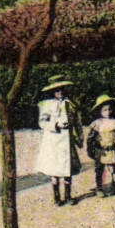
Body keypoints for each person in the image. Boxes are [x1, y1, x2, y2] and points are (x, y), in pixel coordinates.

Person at [35, 77, 83, 206]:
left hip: (67, 139)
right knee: (55, 168)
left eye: (61, 90)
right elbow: (42, 122)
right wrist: (56, 125)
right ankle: (57, 197)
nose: (60, 93)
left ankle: (68, 196)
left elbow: (77, 121)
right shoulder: (47, 105)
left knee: (67, 167)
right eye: (57, 90)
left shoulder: (70, 103)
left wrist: (78, 136)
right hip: (53, 140)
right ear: (52, 92)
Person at [85, 94, 115, 197]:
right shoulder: (96, 123)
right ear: (100, 111)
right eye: (104, 110)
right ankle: (99, 188)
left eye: (109, 110)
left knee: (112, 168)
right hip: (100, 150)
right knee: (99, 169)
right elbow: (90, 137)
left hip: (111, 149)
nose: (107, 112)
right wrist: (91, 147)